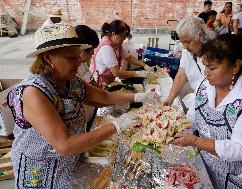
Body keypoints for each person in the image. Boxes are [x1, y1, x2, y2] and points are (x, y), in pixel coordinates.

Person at [7, 23, 159, 189]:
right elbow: (65, 145)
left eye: (78, 55)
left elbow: (103, 96)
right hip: (41, 173)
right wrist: (118, 124)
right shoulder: (35, 93)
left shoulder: (70, 80)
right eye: (71, 57)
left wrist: (138, 96)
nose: (79, 61)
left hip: (68, 164)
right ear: (48, 58)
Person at [171, 34, 242, 188]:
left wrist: (195, 141)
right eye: (204, 65)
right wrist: (177, 128)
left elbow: (241, 148)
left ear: (235, 66)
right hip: (210, 167)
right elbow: (193, 116)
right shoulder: (205, 85)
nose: (206, 72)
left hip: (240, 176)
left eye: (212, 67)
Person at [163, 17, 215, 107]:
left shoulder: (215, 52)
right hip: (200, 99)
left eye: (188, 42)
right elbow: (181, 75)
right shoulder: (187, 52)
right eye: (182, 42)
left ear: (200, 35)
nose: (185, 46)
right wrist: (171, 97)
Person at [89, 20, 153, 89]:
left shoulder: (116, 44)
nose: (124, 39)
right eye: (122, 36)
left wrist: (145, 66)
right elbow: (117, 73)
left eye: (125, 36)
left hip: (109, 79)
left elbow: (129, 57)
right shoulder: (106, 48)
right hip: (100, 82)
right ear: (113, 34)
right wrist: (139, 73)